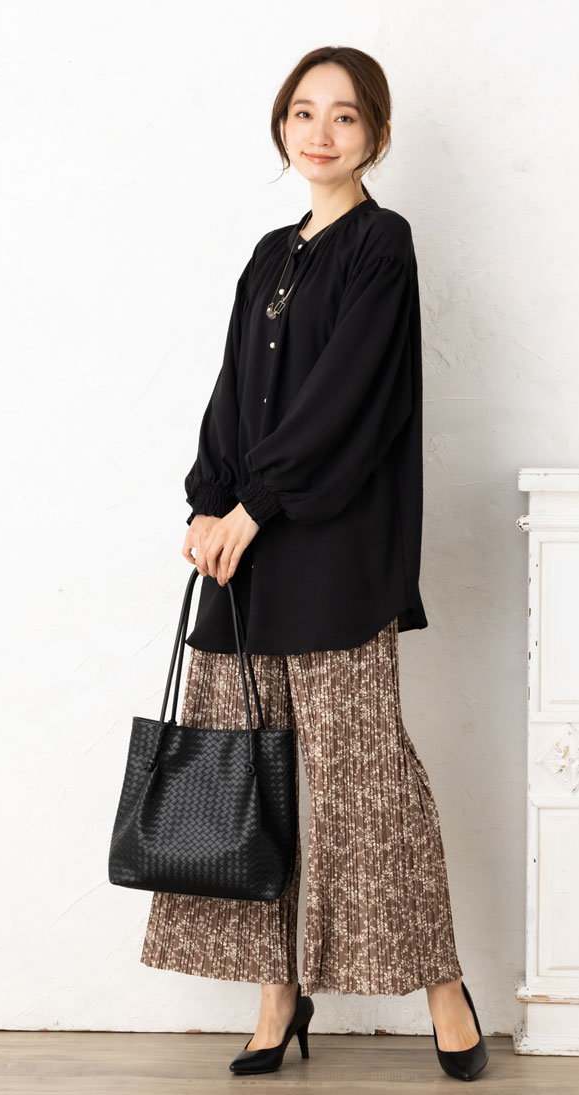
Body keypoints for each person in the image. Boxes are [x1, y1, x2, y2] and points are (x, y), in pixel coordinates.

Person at [139, 46, 489, 1082]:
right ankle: (277, 995)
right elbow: (231, 392)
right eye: (303, 112)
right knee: (253, 780)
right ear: (282, 126)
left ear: (376, 134)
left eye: (344, 116)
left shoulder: (382, 245)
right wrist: (208, 504)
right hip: (245, 561)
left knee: (366, 783)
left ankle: (441, 985)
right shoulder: (267, 254)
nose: (321, 132)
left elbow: (349, 402)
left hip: (332, 555)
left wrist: (254, 506)